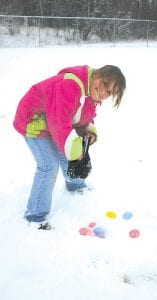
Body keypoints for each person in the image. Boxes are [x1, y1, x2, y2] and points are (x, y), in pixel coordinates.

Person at [13, 65, 126, 227]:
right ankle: (35, 215)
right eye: (105, 83)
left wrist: (87, 130)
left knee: (69, 150)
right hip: (33, 122)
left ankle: (75, 184)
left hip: (50, 122)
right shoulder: (69, 86)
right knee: (49, 165)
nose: (102, 91)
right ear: (98, 73)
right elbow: (59, 123)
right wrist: (76, 152)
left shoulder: (89, 93)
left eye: (109, 92)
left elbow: (78, 117)